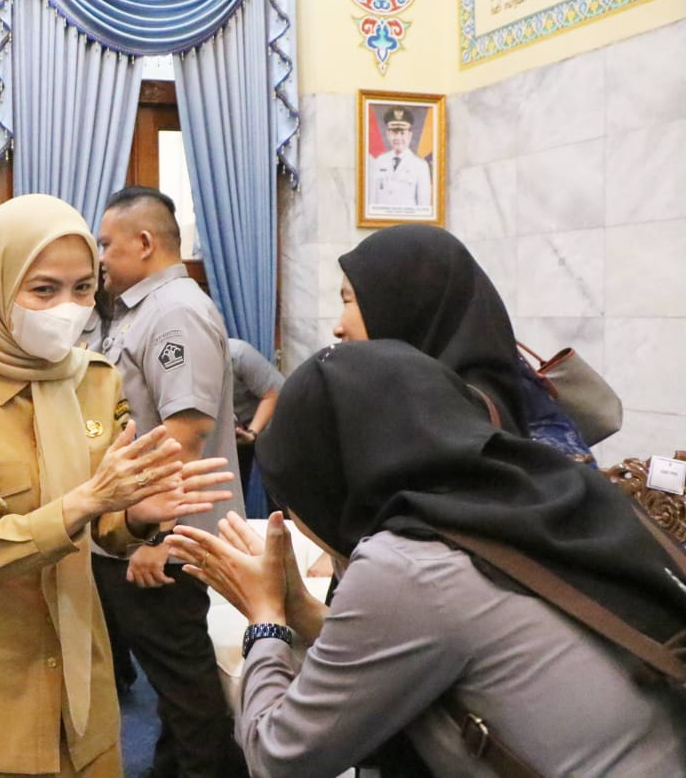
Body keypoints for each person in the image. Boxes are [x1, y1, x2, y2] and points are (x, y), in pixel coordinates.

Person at [170, 340, 686, 777]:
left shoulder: (406, 563)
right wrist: (298, 605)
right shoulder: (541, 487)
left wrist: (264, 620)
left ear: (323, 478)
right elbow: (413, 645)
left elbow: (279, 759)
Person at [0, 193, 234, 777]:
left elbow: (105, 528)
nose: (68, 309)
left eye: (83, 289)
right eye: (43, 290)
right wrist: (90, 498)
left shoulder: (95, 381)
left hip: (82, 676)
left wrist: (136, 517)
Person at [91, 186, 247, 778]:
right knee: (173, 686)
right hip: (134, 529)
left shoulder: (175, 310)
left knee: (187, 690)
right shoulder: (139, 310)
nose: (101, 257)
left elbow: (185, 433)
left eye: (107, 244)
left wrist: (157, 537)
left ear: (144, 242)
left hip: (164, 540)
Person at [335, 223, 595, 462]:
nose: (338, 327)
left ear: (402, 307)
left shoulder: (447, 417)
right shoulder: (470, 385)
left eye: (348, 301)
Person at [227, 338, 283, 517]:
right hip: (239, 430)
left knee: (279, 493)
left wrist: (252, 432)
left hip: (275, 422)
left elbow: (272, 396)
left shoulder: (239, 354)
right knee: (233, 489)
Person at [367, 107, 432, 210]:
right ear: (388, 134)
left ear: (410, 135)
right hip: (381, 219)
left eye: (402, 133)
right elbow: (372, 202)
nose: (398, 138)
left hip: (408, 220)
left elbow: (424, 207)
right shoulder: (380, 161)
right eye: (394, 132)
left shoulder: (420, 166)